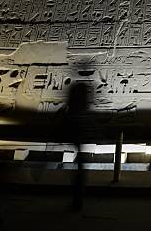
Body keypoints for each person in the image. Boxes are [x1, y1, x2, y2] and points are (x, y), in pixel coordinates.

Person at [65, 82, 94, 211]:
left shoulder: (75, 110)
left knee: (79, 170)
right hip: (81, 139)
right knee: (80, 169)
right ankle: (78, 200)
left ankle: (77, 200)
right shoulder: (83, 110)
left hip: (77, 138)